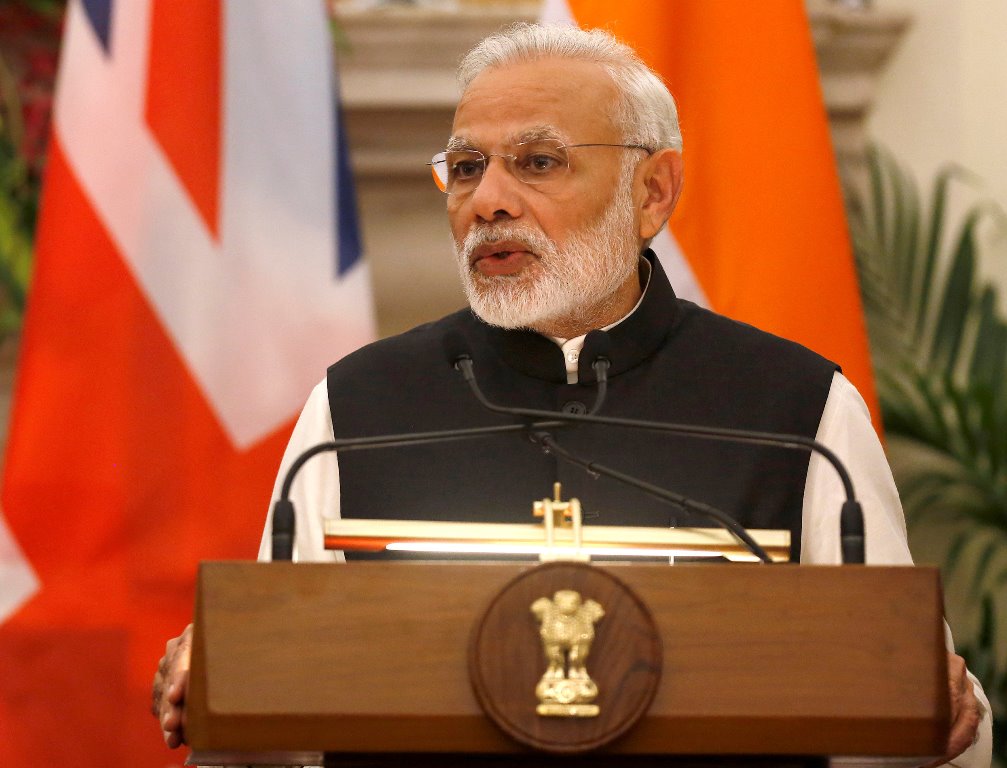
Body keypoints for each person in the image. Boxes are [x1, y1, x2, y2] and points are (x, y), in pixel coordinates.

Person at [153, 23, 990, 766]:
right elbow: (274, 706)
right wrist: (224, 680)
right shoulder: (355, 411)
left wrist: (944, 700)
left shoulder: (798, 413)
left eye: (537, 162)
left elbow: (912, 709)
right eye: (467, 168)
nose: (487, 202)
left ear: (652, 192)